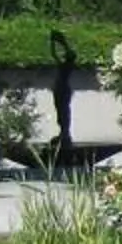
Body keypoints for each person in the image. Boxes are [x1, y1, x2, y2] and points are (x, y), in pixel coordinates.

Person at [47, 29, 77, 161]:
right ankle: (63, 134)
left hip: (63, 91)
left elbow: (65, 54)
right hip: (60, 90)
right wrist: (54, 42)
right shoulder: (64, 65)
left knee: (64, 112)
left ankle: (65, 134)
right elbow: (55, 55)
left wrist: (61, 43)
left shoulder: (67, 66)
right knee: (61, 112)